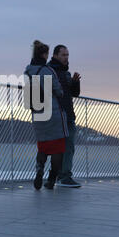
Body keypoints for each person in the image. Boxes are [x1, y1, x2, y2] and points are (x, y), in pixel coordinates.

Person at [24, 40, 69, 190]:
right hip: (54, 113)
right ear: (44, 54)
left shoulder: (28, 71)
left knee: (42, 147)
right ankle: (51, 180)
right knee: (57, 149)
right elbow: (58, 90)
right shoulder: (47, 71)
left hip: (37, 115)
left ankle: (39, 169)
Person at [47, 45, 81, 188]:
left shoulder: (66, 73)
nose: (66, 58)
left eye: (67, 55)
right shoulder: (48, 71)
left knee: (68, 146)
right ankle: (63, 176)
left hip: (68, 115)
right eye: (63, 55)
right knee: (61, 147)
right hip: (56, 115)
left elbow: (74, 94)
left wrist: (75, 82)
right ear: (55, 55)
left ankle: (59, 176)